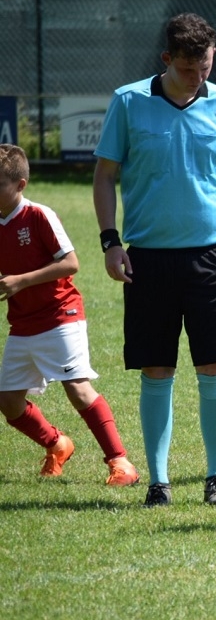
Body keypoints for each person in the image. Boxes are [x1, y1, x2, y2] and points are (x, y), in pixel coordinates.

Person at [92, 12, 216, 508]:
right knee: (157, 369)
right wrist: (110, 241)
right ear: (166, 58)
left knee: (213, 365)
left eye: (205, 67)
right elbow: (104, 177)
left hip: (214, 255)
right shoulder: (128, 101)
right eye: (187, 68)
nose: (197, 77)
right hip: (148, 260)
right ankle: (159, 482)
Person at [0, 144, 139, 486]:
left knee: (77, 389)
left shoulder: (38, 215)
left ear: (20, 185)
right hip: (23, 322)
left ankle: (121, 463)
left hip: (61, 314)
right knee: (8, 400)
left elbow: (71, 262)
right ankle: (56, 443)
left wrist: (21, 280)